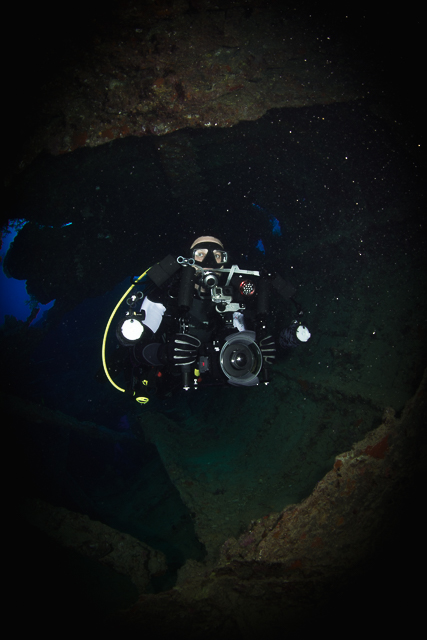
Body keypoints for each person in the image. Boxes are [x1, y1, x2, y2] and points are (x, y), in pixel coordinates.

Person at [109, 236, 309, 403]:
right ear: (188, 259)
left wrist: (277, 343)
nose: (210, 262)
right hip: (172, 380)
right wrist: (163, 353)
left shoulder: (234, 298)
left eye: (218, 255)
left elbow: (250, 345)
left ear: (225, 261)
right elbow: (134, 352)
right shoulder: (165, 296)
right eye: (200, 254)